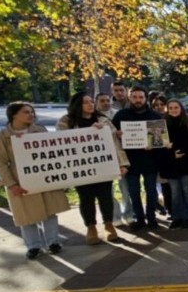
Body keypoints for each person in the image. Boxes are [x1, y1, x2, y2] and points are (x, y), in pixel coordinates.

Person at [0, 102, 70, 259]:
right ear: (14, 115)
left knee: (49, 211)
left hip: (43, 178)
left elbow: (53, 153)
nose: (31, 115)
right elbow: (0, 163)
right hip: (20, 180)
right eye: (26, 112)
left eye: (32, 112)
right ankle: (33, 246)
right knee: (26, 215)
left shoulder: (40, 130)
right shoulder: (1, 137)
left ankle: (53, 242)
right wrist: (12, 184)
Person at [56, 92, 129, 244]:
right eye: (86, 102)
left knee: (106, 196)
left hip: (104, 165)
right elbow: (62, 142)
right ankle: (91, 227)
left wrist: (122, 163)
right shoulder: (65, 121)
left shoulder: (103, 120)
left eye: (91, 101)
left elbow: (115, 143)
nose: (90, 104)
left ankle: (109, 225)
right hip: (80, 168)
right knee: (86, 198)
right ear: (77, 105)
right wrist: (89, 131)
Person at [112, 87, 163, 230]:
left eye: (141, 97)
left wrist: (153, 145)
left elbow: (160, 141)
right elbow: (112, 137)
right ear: (129, 98)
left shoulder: (154, 116)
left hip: (150, 161)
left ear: (146, 99)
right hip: (130, 161)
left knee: (151, 191)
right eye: (134, 97)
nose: (138, 100)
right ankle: (139, 218)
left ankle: (151, 217)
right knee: (133, 192)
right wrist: (117, 134)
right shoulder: (121, 115)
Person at [161, 99, 188, 229]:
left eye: (176, 107)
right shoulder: (162, 124)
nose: (173, 110)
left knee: (187, 190)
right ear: (167, 109)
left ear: (181, 108)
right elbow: (159, 146)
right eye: (170, 108)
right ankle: (176, 217)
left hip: (187, 162)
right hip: (170, 164)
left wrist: (180, 151)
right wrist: (172, 154)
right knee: (175, 193)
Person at [98, 91, 134, 225]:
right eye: (102, 101)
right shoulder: (93, 118)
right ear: (96, 103)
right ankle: (115, 216)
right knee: (108, 191)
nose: (105, 103)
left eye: (107, 100)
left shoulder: (118, 114)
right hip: (103, 159)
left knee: (125, 188)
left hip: (120, 156)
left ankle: (128, 214)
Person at [149, 92, 172, 220]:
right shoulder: (152, 121)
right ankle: (168, 209)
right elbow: (156, 142)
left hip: (173, 158)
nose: (159, 107)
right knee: (164, 186)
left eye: (162, 104)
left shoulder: (172, 118)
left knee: (173, 187)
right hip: (159, 159)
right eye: (156, 105)